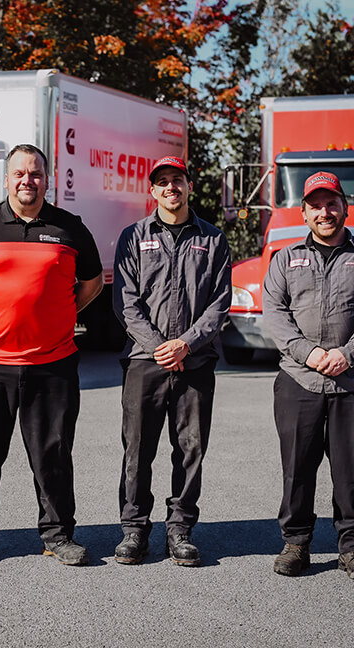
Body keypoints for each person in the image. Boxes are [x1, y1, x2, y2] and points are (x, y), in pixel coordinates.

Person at [0, 144, 104, 566]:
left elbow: (92, 283)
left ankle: (58, 534)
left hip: (52, 362)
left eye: (35, 173)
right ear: (6, 178)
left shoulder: (70, 228)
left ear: (46, 179)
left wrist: (59, 314)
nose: (27, 180)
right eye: (19, 173)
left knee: (52, 452)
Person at [262, 171, 354, 581]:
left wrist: (348, 354)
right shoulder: (285, 258)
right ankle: (296, 543)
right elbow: (275, 313)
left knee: (351, 468)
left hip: (352, 382)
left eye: (331, 203)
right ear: (304, 212)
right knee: (297, 466)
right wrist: (312, 353)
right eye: (316, 205)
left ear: (344, 207)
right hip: (298, 381)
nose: (325, 212)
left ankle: (353, 547)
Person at [112, 156, 232, 567]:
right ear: (152, 191)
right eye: (162, 182)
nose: (170, 188)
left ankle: (180, 529)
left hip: (195, 363)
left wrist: (186, 344)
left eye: (176, 180)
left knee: (190, 449)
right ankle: (134, 530)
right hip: (145, 361)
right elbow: (126, 303)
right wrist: (161, 346)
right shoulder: (133, 237)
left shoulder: (213, 239)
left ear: (188, 185)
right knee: (137, 449)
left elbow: (219, 304)